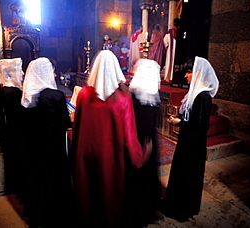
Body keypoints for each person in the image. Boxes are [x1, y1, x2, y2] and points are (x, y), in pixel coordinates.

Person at [70, 50, 152, 228]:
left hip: (85, 154)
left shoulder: (84, 94)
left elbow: (77, 125)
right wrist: (140, 155)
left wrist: (74, 152)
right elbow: (129, 135)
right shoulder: (123, 98)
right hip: (110, 157)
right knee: (108, 193)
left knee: (87, 192)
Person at [161, 56, 219, 222]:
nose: (186, 76)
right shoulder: (195, 93)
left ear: (199, 73)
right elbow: (191, 117)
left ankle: (183, 208)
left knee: (188, 174)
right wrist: (179, 118)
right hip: (187, 142)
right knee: (181, 172)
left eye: (189, 72)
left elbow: (200, 126)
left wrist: (181, 122)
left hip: (193, 145)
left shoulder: (203, 96)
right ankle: (174, 201)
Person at [20, 57, 72, 228]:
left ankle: (39, 216)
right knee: (55, 182)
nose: (54, 74)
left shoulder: (27, 97)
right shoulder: (55, 95)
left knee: (39, 181)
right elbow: (65, 122)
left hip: (35, 148)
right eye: (51, 70)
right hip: (54, 149)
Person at [124, 59, 162, 228]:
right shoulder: (151, 95)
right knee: (144, 177)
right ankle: (144, 211)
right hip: (146, 143)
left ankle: (137, 210)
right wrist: (148, 144)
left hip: (137, 141)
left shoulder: (134, 93)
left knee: (136, 177)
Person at [0, 58, 25, 196]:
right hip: (18, 132)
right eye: (20, 70)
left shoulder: (2, 91)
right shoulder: (14, 93)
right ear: (12, 72)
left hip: (8, 131)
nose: (22, 73)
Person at [162, 18, 180, 83]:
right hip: (178, 52)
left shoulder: (170, 32)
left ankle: (168, 77)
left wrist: (167, 47)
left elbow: (165, 42)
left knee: (170, 63)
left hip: (170, 51)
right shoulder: (181, 32)